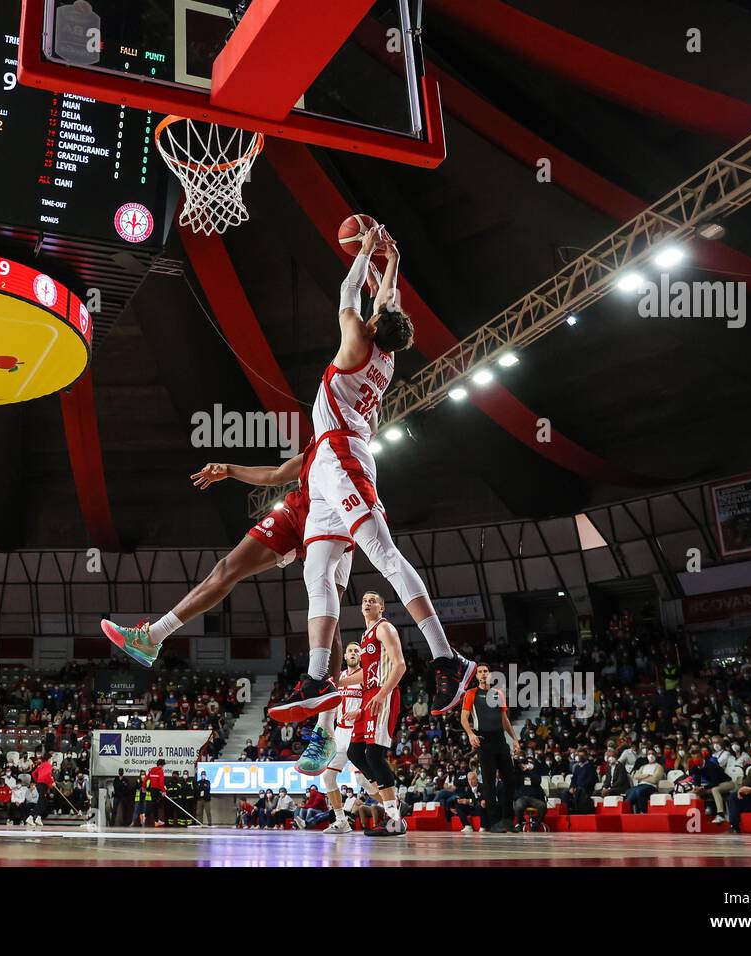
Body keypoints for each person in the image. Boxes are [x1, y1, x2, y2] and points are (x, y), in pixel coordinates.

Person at [285, 225, 476, 728]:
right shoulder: (386, 356)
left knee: (384, 555)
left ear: (373, 325)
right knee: (317, 568)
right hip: (326, 464)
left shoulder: (356, 342)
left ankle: (446, 657)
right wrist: (393, 260)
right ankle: (315, 674)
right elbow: (384, 301)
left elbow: (351, 294)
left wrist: (367, 251)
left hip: (341, 457)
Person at [102, 454, 353, 670]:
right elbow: (276, 475)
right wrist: (229, 470)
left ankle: (326, 720)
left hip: (335, 525)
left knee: (329, 621)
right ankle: (152, 636)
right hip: (296, 515)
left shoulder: (356, 441)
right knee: (226, 569)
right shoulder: (320, 438)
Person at [340, 591, 407, 838]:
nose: (367, 603)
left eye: (373, 600)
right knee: (355, 752)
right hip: (370, 695)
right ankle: (395, 804)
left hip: (383, 692)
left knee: (374, 754)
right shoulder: (366, 635)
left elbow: (400, 665)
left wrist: (381, 694)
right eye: (364, 600)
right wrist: (335, 681)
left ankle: (393, 819)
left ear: (381, 608)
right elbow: (364, 674)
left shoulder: (384, 628)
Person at [307, 639, 364, 834]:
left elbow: (375, 701)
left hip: (359, 733)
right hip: (340, 733)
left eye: (357, 650)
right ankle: (341, 821)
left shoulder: (365, 677)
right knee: (328, 776)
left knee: (365, 783)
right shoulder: (337, 679)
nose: (353, 653)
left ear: (361, 655)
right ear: (345, 655)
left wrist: (361, 711)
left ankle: (395, 811)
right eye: (350, 651)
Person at [460, 663, 521, 832]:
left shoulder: (498, 693)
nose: (483, 674)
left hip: (500, 740)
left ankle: (508, 819)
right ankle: (494, 822)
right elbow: (464, 719)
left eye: (485, 671)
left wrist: (515, 739)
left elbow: (504, 719)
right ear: (476, 676)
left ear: (490, 674)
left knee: (509, 779)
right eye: (480, 672)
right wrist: (471, 734)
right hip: (483, 740)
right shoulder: (471, 694)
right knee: (489, 783)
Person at [625, 748, 666, 814]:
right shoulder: (643, 766)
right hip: (640, 785)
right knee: (628, 791)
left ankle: (643, 811)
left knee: (639, 791)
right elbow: (635, 776)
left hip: (651, 786)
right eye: (649, 754)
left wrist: (641, 777)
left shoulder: (659, 767)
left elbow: (654, 780)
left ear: (655, 755)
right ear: (646, 756)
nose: (651, 755)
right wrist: (647, 775)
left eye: (652, 754)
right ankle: (630, 812)